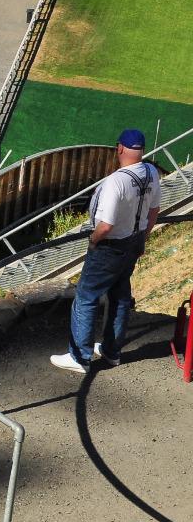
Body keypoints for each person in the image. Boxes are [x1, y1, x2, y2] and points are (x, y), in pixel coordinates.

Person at [51, 128, 162, 372]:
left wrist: (93, 240)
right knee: (120, 297)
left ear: (119, 148)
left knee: (86, 297)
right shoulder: (151, 172)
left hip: (110, 248)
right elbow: (154, 211)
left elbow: (106, 225)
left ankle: (79, 356)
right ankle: (112, 352)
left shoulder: (116, 182)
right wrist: (143, 237)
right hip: (133, 242)